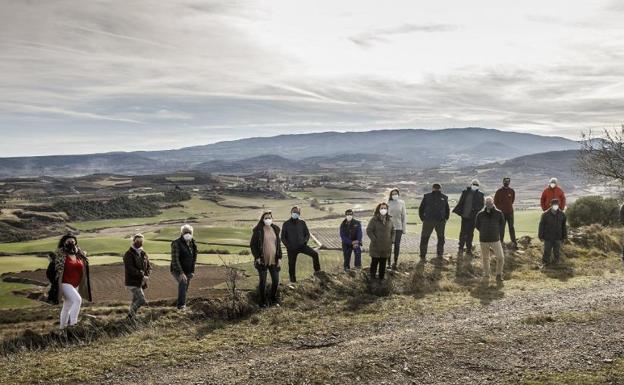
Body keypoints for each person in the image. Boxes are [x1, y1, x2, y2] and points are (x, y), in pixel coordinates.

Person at [54, 234, 92, 329]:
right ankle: (73, 324)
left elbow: (84, 266)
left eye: (73, 241)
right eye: (68, 241)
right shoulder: (61, 255)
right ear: (64, 243)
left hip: (75, 284)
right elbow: (55, 269)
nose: (71, 243)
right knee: (77, 300)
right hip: (65, 283)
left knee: (67, 306)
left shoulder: (79, 254)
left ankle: (62, 328)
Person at [250, 211, 282, 307]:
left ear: (272, 218)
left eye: (269, 217)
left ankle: (273, 299)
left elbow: (278, 245)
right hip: (262, 261)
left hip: (274, 260)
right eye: (266, 218)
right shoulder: (258, 230)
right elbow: (252, 245)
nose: (268, 219)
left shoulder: (275, 229)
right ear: (262, 219)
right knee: (263, 282)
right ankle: (263, 302)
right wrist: (257, 257)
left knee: (276, 281)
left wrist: (279, 257)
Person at [281, 206, 321, 283]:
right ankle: (293, 282)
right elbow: (283, 237)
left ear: (299, 213)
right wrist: (289, 246)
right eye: (294, 212)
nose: (295, 213)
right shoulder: (286, 224)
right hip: (291, 249)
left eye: (297, 212)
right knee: (291, 265)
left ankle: (318, 273)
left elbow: (307, 234)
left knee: (315, 254)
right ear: (291, 212)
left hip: (302, 246)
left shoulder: (302, 223)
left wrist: (304, 242)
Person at [475, 197, 506, 282]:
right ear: (485, 203)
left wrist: (495, 231)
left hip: (495, 239)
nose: (489, 204)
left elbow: (502, 224)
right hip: (483, 239)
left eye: (490, 203)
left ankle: (499, 274)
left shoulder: (498, 213)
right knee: (485, 258)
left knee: (500, 257)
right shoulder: (480, 214)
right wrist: (483, 231)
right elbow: (477, 225)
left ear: (493, 203)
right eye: (487, 203)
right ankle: (486, 275)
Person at [452, 179, 485, 256]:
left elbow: (481, 205)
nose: (475, 185)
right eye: (474, 184)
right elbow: (461, 202)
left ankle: (469, 249)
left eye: (476, 185)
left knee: (470, 233)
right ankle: (460, 247)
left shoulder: (481, 194)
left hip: (473, 217)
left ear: (478, 186)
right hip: (464, 216)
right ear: (471, 184)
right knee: (463, 232)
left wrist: (475, 210)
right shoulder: (465, 192)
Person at [418, 183, 450, 261]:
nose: (436, 189)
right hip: (435, 221)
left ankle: (423, 256)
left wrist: (423, 218)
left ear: (432, 188)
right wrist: (423, 219)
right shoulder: (428, 196)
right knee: (439, 238)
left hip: (433, 221)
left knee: (427, 238)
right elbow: (447, 210)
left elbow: (447, 209)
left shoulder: (443, 197)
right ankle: (439, 255)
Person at [123, 233, 151, 318]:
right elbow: (130, 269)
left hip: (141, 282)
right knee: (141, 300)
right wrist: (142, 276)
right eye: (137, 240)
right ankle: (130, 315)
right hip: (132, 282)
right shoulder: (128, 254)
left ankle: (131, 318)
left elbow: (149, 267)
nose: (139, 242)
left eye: (141, 241)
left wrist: (147, 276)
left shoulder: (143, 253)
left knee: (135, 300)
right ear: (133, 241)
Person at [170, 224, 197, 310]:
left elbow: (194, 258)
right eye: (185, 232)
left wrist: (192, 271)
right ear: (182, 233)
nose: (187, 234)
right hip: (177, 269)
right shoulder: (176, 243)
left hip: (188, 270)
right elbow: (175, 259)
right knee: (183, 282)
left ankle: (181, 302)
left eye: (189, 232)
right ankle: (181, 306)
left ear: (192, 233)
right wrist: (181, 273)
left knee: (185, 287)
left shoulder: (193, 243)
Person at [366, 203, 395, 280]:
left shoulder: (390, 220)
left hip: (386, 247)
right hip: (376, 246)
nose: (383, 210)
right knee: (374, 263)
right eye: (381, 208)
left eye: (385, 208)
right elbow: (369, 230)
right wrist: (374, 239)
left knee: (383, 264)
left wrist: (392, 240)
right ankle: (372, 279)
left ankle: (381, 281)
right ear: (378, 209)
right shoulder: (374, 219)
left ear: (387, 210)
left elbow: (393, 231)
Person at [538, 199, 567, 265]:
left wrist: (564, 236)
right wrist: (540, 236)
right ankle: (545, 263)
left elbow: (563, 226)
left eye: (557, 205)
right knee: (547, 251)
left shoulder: (562, 214)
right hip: (548, 237)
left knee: (557, 251)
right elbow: (541, 225)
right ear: (550, 205)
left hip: (558, 236)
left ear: (558, 205)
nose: (555, 206)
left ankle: (556, 263)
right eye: (554, 205)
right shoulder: (545, 214)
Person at [494, 177, 518, 249]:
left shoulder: (512, 191)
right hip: (502, 213)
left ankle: (514, 242)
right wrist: (500, 209)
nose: (506, 182)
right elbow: (495, 202)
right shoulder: (499, 191)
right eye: (505, 181)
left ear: (509, 182)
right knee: (501, 228)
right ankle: (500, 242)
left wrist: (508, 207)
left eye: (508, 181)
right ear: (503, 182)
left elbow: (512, 201)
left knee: (511, 227)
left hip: (510, 212)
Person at [387, 188, 407, 270]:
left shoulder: (402, 203)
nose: (394, 195)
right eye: (393, 194)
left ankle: (395, 262)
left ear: (398, 194)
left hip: (399, 227)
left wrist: (404, 229)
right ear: (391, 195)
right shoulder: (388, 203)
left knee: (397, 245)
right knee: (388, 245)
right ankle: (388, 263)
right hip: (389, 227)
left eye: (396, 193)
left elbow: (404, 216)